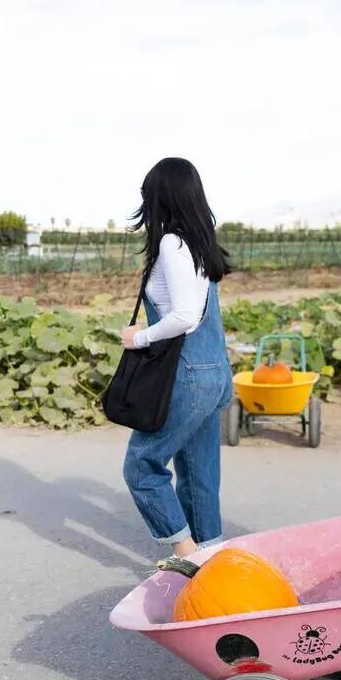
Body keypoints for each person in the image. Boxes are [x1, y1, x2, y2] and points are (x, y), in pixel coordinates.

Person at [121, 158, 233, 559]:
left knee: (141, 467)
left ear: (160, 196)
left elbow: (184, 317)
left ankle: (186, 557)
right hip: (215, 373)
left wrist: (139, 338)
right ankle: (213, 560)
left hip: (188, 377)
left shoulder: (171, 243)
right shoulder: (199, 241)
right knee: (198, 475)